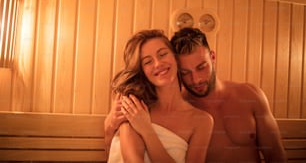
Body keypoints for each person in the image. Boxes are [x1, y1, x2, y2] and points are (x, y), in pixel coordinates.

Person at [105, 27, 287, 162]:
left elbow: (276, 155)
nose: (196, 79)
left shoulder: (249, 95)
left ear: (212, 57)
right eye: (185, 72)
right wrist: (111, 122)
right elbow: (115, 137)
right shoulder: (169, 105)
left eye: (202, 67)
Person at [106, 29, 213, 163]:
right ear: (142, 70)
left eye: (162, 54)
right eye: (147, 62)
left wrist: (147, 131)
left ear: (175, 58)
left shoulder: (202, 121)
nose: (158, 64)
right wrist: (109, 127)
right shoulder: (134, 108)